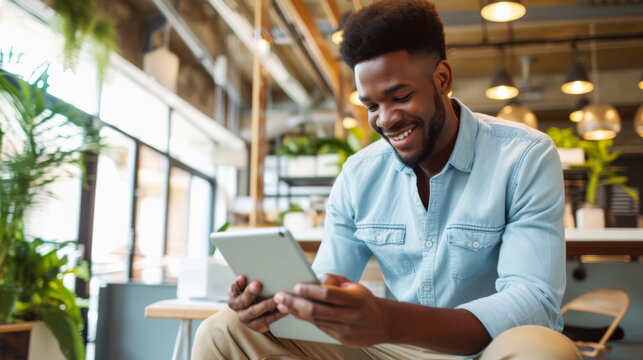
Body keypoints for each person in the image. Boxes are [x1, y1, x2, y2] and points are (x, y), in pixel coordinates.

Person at [192, 0, 582, 359]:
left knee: (544, 350)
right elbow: (330, 284)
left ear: (442, 78)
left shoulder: (524, 156)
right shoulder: (359, 175)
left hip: (486, 350)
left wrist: (388, 319)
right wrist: (278, 306)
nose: (386, 119)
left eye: (400, 96)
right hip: (390, 350)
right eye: (371, 105)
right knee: (222, 331)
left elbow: (534, 302)